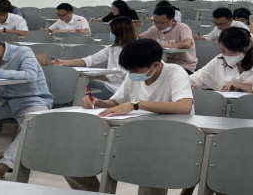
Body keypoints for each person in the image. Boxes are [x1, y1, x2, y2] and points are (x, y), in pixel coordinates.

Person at [65, 39, 193, 195]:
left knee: (152, 165)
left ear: (155, 65)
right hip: (133, 133)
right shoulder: (133, 74)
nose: (132, 75)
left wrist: (137, 104)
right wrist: (98, 102)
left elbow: (184, 106)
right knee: (72, 158)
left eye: (135, 71)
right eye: (129, 71)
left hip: (165, 137)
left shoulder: (175, 73)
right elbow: (116, 102)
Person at [0, 29, 53, 179]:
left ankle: (1, 168)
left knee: (33, 124)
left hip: (32, 100)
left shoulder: (23, 52)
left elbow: (30, 75)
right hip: (2, 102)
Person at [52, 16, 138, 96]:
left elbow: (118, 73)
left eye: (112, 32)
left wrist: (88, 79)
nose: (110, 34)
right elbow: (90, 60)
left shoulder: (133, 49)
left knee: (81, 85)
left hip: (120, 88)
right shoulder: (112, 48)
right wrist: (63, 62)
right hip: (109, 84)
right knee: (75, 84)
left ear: (120, 33)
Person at [190, 27, 253, 93]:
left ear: (247, 47)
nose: (227, 55)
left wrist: (238, 85)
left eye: (233, 52)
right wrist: (192, 83)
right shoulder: (220, 60)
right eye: (223, 50)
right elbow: (199, 76)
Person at [139, 6, 197, 74]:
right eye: (155, 22)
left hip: (183, 65)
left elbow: (187, 44)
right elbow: (139, 39)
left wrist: (163, 45)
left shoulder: (183, 28)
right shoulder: (154, 29)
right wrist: (135, 28)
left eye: (162, 23)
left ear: (172, 20)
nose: (158, 25)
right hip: (162, 65)